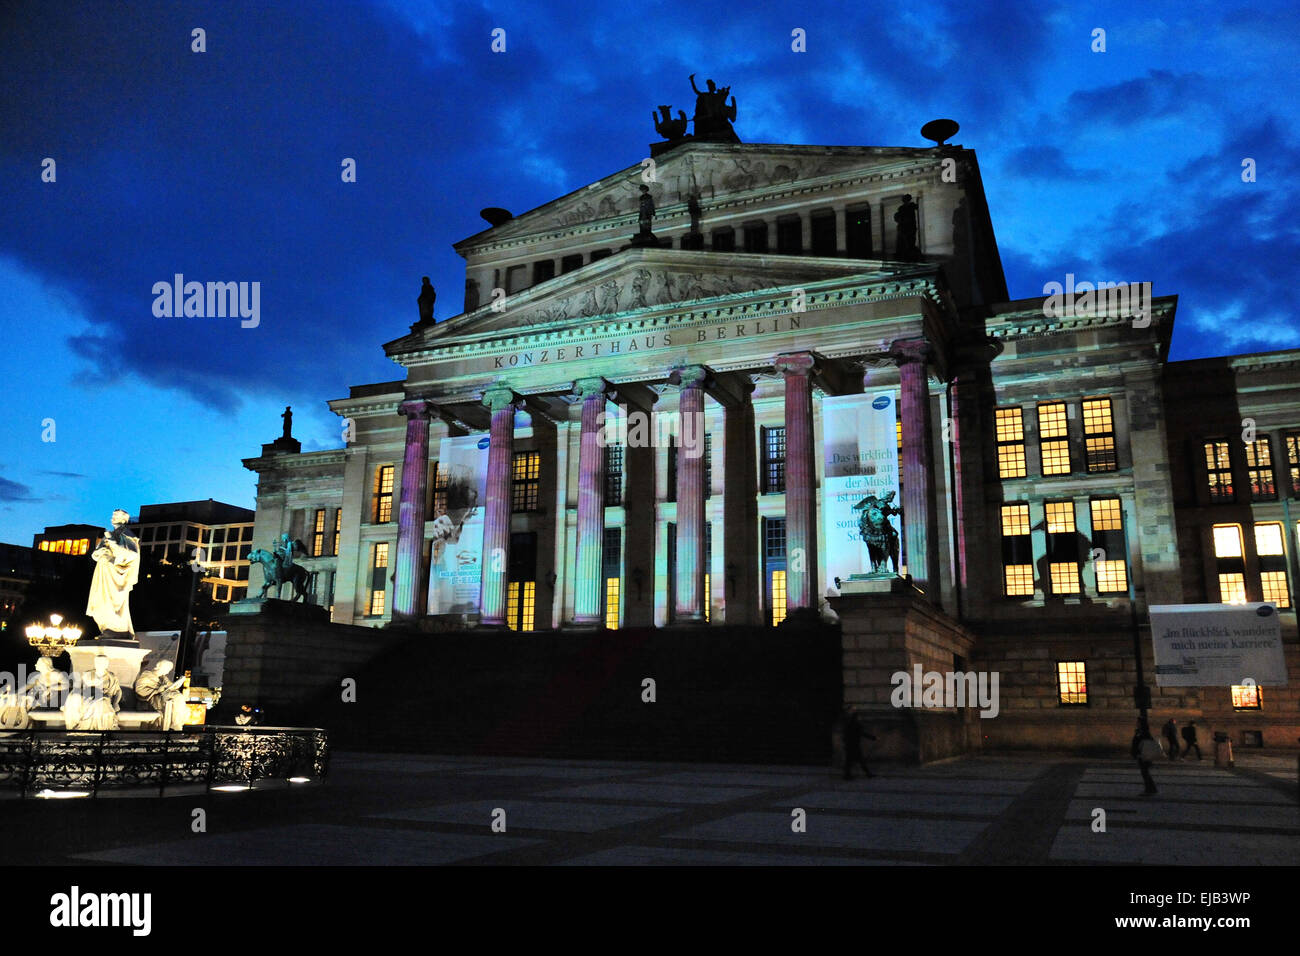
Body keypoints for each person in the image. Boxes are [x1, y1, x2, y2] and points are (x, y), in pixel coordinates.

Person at [86, 509, 140, 638]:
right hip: (104, 571)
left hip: (116, 574)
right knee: (101, 601)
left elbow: (132, 554)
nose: (112, 518)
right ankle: (106, 628)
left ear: (124, 519)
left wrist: (113, 544)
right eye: (113, 516)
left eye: (115, 516)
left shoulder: (126, 534)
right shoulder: (109, 534)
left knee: (113, 602)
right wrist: (100, 552)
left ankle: (117, 629)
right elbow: (95, 553)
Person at [63, 654, 122, 731]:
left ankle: (94, 730)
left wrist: (115, 703)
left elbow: (117, 691)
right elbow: (78, 688)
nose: (99, 664)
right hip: (87, 697)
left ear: (106, 664)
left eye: (102, 662)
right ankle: (83, 728)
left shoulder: (111, 677)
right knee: (77, 698)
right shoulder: (87, 674)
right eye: (97, 662)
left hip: (104, 697)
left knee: (99, 703)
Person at [134, 659, 189, 731]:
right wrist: (158, 690)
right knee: (178, 697)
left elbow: (171, 687)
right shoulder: (147, 675)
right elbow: (140, 690)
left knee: (179, 698)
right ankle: (176, 726)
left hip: (162, 696)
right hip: (153, 698)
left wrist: (179, 683)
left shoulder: (163, 677)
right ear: (161, 667)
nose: (168, 672)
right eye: (168, 669)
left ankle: (177, 724)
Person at [841, 707, 877, 780]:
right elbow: (862, 733)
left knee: (851, 761)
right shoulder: (856, 724)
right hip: (854, 745)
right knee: (859, 760)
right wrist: (872, 737)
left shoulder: (849, 724)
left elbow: (845, 734)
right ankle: (867, 774)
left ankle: (848, 775)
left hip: (850, 745)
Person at [1131, 720, 1159, 795]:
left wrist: (1141, 752)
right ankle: (1151, 788)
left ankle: (1150, 789)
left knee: (1145, 772)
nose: (1137, 724)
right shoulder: (1140, 732)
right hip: (1141, 755)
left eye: (1138, 723)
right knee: (1144, 772)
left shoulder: (1144, 733)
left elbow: (1146, 743)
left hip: (1144, 755)